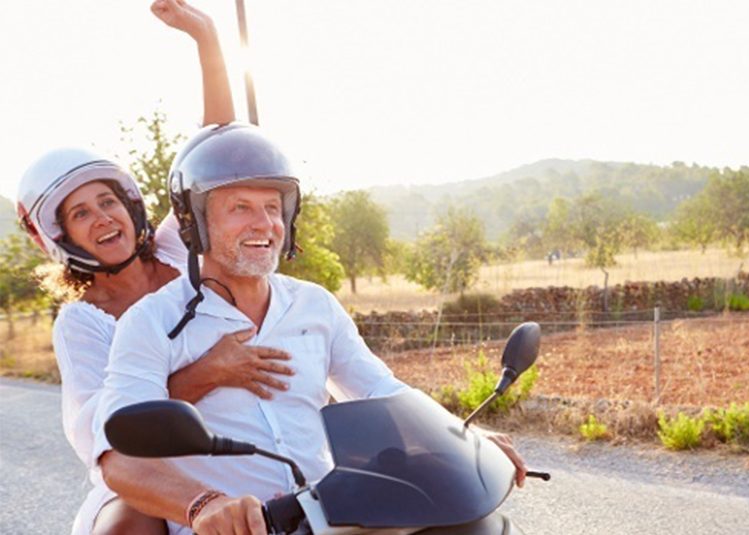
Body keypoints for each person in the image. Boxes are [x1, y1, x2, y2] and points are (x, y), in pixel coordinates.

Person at [93, 123, 528, 535]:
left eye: (272, 207)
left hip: (334, 519)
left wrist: (464, 436)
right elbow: (119, 457)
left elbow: (379, 389)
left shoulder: (313, 304)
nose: (264, 224)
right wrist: (203, 503)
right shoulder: (152, 323)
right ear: (196, 223)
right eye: (240, 207)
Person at [15, 2, 293, 533]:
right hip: (151, 473)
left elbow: (218, 147)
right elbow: (111, 435)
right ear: (62, 237)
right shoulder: (82, 322)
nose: (102, 218)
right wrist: (206, 372)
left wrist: (206, 39)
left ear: (131, 206)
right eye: (80, 213)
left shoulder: (177, 247)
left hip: (237, 438)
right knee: (129, 523)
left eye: (108, 202)